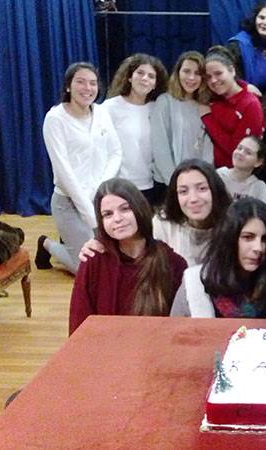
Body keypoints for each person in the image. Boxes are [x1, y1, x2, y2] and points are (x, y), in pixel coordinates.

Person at [69, 178, 187, 335]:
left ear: (139, 209)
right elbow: (78, 324)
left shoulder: (172, 263)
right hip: (105, 348)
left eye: (125, 209)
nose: (117, 219)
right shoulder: (94, 259)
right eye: (107, 214)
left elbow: (181, 327)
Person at [36, 62, 122, 274]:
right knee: (87, 269)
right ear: (68, 86)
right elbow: (63, 172)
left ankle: (72, 240)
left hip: (100, 198)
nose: (87, 88)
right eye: (80, 82)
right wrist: (92, 219)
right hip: (68, 202)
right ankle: (46, 244)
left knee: (113, 261)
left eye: (93, 83)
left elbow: (115, 152)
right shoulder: (55, 119)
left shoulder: (101, 113)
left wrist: (99, 188)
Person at [171, 197, 266, 319]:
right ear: (229, 239)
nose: (258, 248)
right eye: (248, 237)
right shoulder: (195, 283)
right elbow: (175, 339)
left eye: (264, 239)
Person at [79, 159, 232, 268]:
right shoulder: (163, 223)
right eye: (183, 191)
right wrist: (99, 243)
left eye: (202, 189)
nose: (193, 199)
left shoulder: (234, 223)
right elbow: (134, 246)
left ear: (215, 190)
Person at [104, 53, 169, 204]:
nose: (145, 78)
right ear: (129, 77)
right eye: (140, 73)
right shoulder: (110, 107)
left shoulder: (157, 108)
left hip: (150, 185)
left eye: (151, 76)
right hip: (118, 185)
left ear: (155, 84)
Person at [150, 51, 214, 187]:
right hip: (168, 182)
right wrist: (175, 183)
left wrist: (203, 177)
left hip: (197, 181)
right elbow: (160, 146)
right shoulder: (165, 102)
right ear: (178, 73)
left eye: (197, 73)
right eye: (186, 71)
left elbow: (208, 148)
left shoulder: (205, 106)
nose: (191, 78)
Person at [199, 45, 264, 168]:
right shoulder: (210, 96)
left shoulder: (251, 104)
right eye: (208, 77)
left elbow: (238, 151)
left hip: (235, 174)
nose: (213, 80)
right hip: (210, 172)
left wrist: (208, 118)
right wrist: (244, 84)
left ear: (232, 70)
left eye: (218, 73)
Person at [226, 1, 266, 95]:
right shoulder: (238, 45)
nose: (265, 22)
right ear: (254, 19)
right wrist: (244, 86)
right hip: (245, 97)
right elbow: (227, 73)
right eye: (261, 18)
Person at [216, 135, 266, 202]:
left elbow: (262, 208)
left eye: (248, 152)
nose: (240, 153)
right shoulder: (219, 175)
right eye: (239, 148)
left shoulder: (259, 186)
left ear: (258, 162)